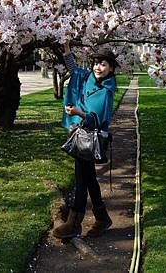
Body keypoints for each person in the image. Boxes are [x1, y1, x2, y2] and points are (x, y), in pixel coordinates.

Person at [53, 42, 118, 239]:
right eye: (96, 63)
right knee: (88, 177)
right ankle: (102, 218)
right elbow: (73, 69)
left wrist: (78, 112)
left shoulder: (106, 91)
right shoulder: (88, 77)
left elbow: (96, 119)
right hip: (80, 134)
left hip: (90, 138)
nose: (98, 67)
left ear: (112, 68)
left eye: (104, 64)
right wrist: (66, 49)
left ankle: (74, 223)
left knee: (81, 179)